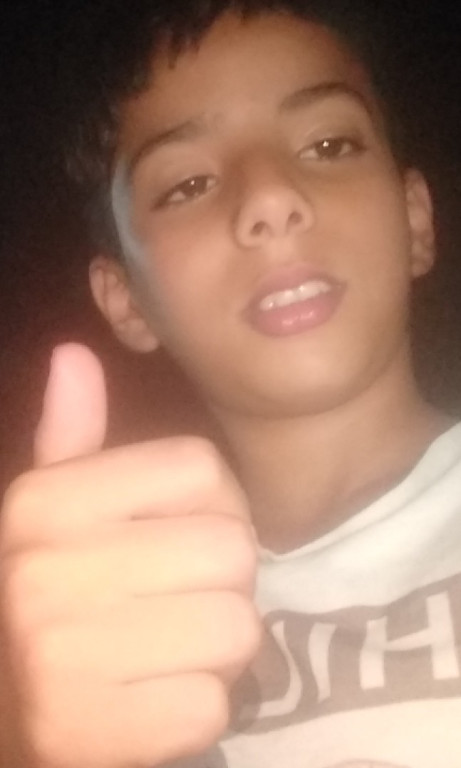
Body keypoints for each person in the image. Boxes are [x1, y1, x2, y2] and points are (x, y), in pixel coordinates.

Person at [1, 1, 460, 766]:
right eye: (186, 185)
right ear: (125, 299)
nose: (269, 199)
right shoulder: (75, 618)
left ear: (415, 218)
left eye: (328, 144)